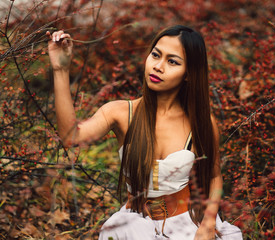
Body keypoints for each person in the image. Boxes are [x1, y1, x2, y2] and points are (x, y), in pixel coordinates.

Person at [47, 25, 243, 240]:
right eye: (156, 55)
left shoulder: (201, 123)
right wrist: (60, 70)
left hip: (186, 225)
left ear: (189, 73)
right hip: (134, 227)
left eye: (173, 61)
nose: (158, 66)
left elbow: (214, 176)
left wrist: (207, 224)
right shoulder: (121, 113)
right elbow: (70, 137)